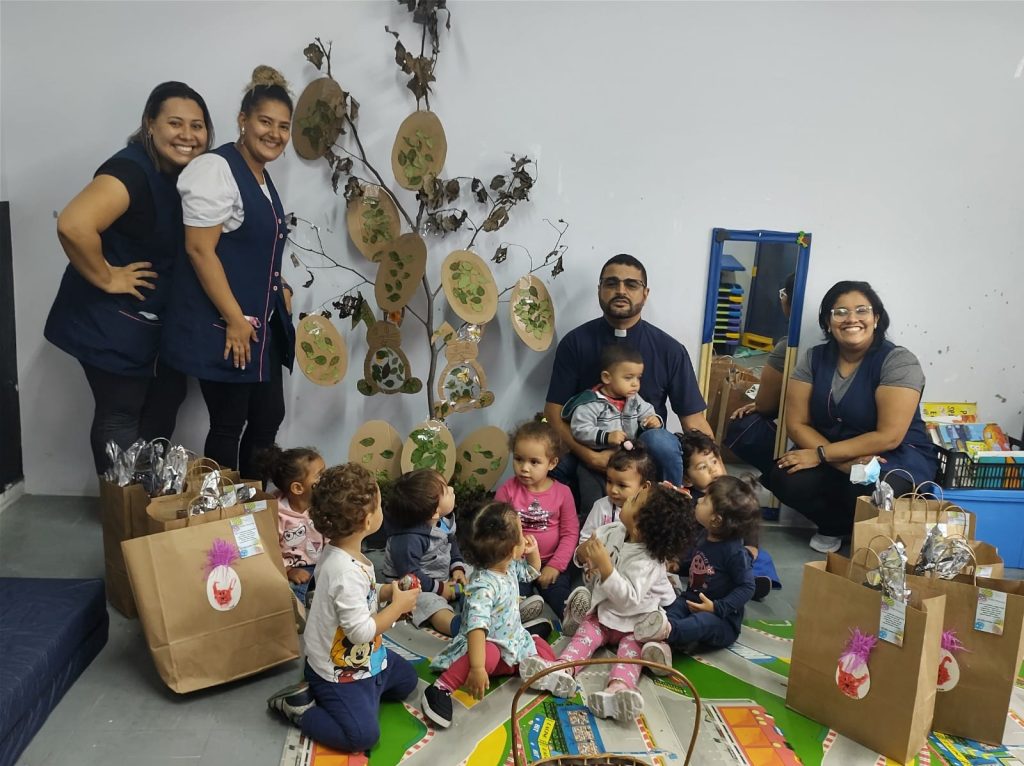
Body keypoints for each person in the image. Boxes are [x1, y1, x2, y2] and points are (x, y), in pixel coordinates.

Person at [46, 81, 213, 475]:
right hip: (109, 321)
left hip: (153, 324)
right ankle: (121, 505)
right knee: (120, 414)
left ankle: (146, 497)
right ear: (149, 125)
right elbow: (73, 224)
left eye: (197, 126)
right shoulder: (131, 171)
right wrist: (108, 277)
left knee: (165, 401)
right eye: (175, 123)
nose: (188, 135)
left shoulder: (186, 176)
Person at [163, 66, 296, 478]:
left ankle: (253, 504)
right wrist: (235, 319)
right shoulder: (215, 169)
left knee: (268, 415)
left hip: (260, 323)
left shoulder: (260, 175)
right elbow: (199, 250)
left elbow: (253, 243)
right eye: (265, 122)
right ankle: (220, 511)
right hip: (228, 324)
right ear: (243, 120)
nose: (274, 133)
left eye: (283, 126)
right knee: (229, 422)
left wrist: (279, 284)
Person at [769, 281, 938, 553]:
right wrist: (840, 462)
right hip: (830, 450)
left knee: (874, 486)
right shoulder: (813, 359)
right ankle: (834, 526)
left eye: (862, 310)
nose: (851, 319)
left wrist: (823, 455)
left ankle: (871, 539)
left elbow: (889, 436)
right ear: (828, 322)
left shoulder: (899, 362)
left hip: (892, 455)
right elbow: (796, 424)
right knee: (784, 476)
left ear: (876, 318)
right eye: (840, 312)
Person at [266, 463, 420, 753]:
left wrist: (387, 591)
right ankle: (299, 708)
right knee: (362, 737)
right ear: (367, 521)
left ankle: (363, 698)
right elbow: (360, 631)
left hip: (369, 660)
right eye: (380, 505)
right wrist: (398, 608)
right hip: (336, 671)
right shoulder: (344, 570)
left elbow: (359, 596)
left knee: (407, 681)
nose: (383, 509)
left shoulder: (342, 551)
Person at [545, 253, 711, 512]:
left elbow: (694, 421)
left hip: (646, 453)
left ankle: (672, 513)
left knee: (662, 443)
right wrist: (591, 457)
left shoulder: (669, 350)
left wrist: (717, 477)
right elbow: (553, 412)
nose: (621, 291)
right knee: (546, 463)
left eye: (631, 284)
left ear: (645, 293)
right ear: (600, 290)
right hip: (592, 446)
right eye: (611, 283)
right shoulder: (575, 343)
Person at [520, 484, 696, 721]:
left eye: (634, 499)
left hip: (634, 625)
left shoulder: (649, 562)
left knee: (629, 656)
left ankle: (618, 690)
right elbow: (586, 551)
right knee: (583, 636)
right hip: (602, 614)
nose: (628, 497)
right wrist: (583, 554)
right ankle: (562, 669)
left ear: (640, 526)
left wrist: (606, 568)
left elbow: (629, 600)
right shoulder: (614, 530)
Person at [420, 501, 558, 730]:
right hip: (483, 647)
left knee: (539, 647)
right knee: (490, 654)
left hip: (511, 639)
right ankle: (440, 689)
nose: (525, 536)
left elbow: (532, 572)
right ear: (511, 550)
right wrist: (477, 668)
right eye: (521, 533)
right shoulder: (483, 587)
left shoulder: (508, 565)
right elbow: (476, 630)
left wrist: (533, 553)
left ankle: (549, 667)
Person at [634, 475, 760, 663]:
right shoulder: (705, 535)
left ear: (716, 520)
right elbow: (699, 564)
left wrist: (717, 607)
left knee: (701, 623)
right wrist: (678, 566)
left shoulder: (735, 552)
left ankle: (666, 632)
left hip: (721, 620)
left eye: (705, 499)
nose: (699, 500)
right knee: (672, 609)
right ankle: (662, 646)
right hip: (691, 601)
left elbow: (747, 587)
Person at [562, 446, 657, 634]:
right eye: (609, 481)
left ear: (644, 487)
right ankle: (578, 617)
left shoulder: (649, 515)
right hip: (597, 576)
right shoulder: (601, 507)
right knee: (581, 593)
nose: (613, 490)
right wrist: (585, 553)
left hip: (629, 579)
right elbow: (584, 543)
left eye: (622, 485)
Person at [495, 420, 578, 619]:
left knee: (559, 592)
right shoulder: (507, 490)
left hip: (550, 561)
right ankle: (518, 616)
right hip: (517, 562)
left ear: (552, 463)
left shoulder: (563, 493)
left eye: (534, 462)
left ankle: (572, 617)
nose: (524, 468)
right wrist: (509, 556)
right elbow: (496, 528)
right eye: (519, 459)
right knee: (513, 591)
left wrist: (556, 565)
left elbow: (570, 533)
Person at [679, 430, 777, 599]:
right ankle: (735, 583)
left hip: (732, 549)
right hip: (703, 551)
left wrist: (751, 545)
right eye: (702, 467)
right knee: (698, 563)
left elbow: (749, 518)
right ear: (687, 478)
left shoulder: (731, 489)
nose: (713, 470)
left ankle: (756, 580)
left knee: (759, 556)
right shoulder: (691, 498)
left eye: (714, 461)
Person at [724, 273, 795, 484]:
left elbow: (765, 405)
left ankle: (778, 477)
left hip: (805, 437)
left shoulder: (786, 348)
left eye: (783, 294)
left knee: (742, 424)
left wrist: (762, 405)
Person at [381, 469, 468, 636]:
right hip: (414, 585)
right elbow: (410, 574)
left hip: (441, 572)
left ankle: (473, 600)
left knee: (476, 573)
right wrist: (440, 589)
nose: (452, 489)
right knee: (428, 604)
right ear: (434, 512)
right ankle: (455, 625)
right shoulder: (408, 539)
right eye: (446, 490)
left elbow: (451, 544)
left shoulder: (441, 521)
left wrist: (457, 568)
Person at [254, 444, 325, 604]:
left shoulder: (324, 504)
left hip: (324, 563)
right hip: (295, 568)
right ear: (298, 488)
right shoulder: (276, 513)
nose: (326, 479)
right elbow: (269, 550)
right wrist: (288, 571)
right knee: (291, 595)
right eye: (320, 475)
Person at [562, 344, 662, 450]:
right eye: (628, 378)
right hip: (600, 453)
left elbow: (647, 413)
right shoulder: (591, 403)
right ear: (606, 377)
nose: (635, 384)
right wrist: (607, 437)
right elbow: (580, 429)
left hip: (629, 452)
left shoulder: (633, 398)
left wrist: (653, 420)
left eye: (638, 378)